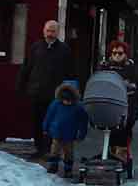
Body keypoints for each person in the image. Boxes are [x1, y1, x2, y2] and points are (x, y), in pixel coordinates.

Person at [16, 20, 74, 159]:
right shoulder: (36, 47)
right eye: (48, 30)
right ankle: (39, 148)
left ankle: (49, 149)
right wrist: (21, 85)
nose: (50, 34)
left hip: (55, 94)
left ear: (58, 32)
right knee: (37, 121)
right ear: (43, 31)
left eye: (53, 31)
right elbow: (26, 67)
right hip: (36, 91)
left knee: (53, 122)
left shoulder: (64, 50)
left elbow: (70, 72)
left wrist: (68, 92)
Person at [98, 40, 138, 176]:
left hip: (126, 104)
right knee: (109, 131)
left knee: (123, 133)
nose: (116, 55)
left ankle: (122, 158)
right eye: (114, 53)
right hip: (108, 103)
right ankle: (109, 154)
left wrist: (128, 86)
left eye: (120, 53)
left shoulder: (131, 67)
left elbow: (137, 84)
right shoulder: (105, 66)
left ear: (125, 54)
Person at [41, 80, 88, 177]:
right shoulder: (55, 104)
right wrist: (45, 127)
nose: (67, 103)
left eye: (69, 101)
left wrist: (82, 133)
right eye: (65, 100)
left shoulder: (78, 107)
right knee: (54, 150)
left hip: (70, 135)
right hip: (56, 132)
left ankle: (68, 169)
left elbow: (83, 122)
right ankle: (53, 166)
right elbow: (49, 116)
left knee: (69, 152)